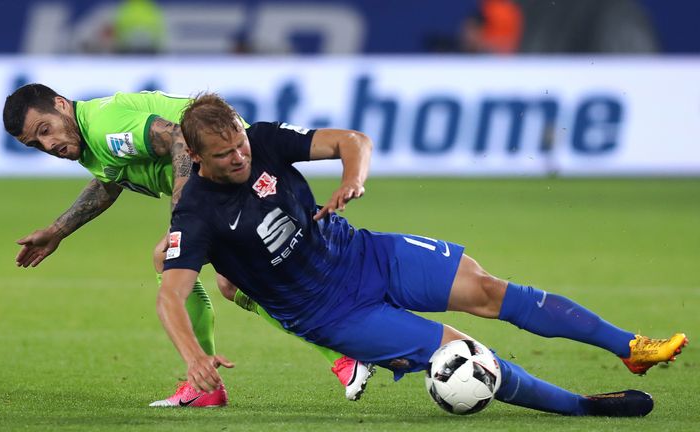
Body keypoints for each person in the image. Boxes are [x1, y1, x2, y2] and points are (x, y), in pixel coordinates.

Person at [158, 92, 688, 416]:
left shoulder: (265, 139)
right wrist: (193, 357)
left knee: (487, 289)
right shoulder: (197, 213)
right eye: (225, 154)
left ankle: (630, 347)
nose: (240, 157)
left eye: (241, 145)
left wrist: (352, 179)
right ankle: (581, 406)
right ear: (197, 158)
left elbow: (354, 140)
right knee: (468, 356)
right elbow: (172, 295)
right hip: (334, 314)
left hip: (365, 253)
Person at [1, 84, 374, 407]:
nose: (48, 144)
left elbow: (180, 137)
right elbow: (110, 179)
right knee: (229, 282)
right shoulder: (91, 141)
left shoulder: (102, 126)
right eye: (37, 143)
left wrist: (183, 217)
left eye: (46, 129)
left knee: (175, 260)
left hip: (234, 168)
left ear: (62, 105)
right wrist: (59, 229)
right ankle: (335, 355)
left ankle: (337, 355)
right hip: (233, 172)